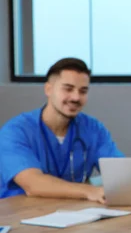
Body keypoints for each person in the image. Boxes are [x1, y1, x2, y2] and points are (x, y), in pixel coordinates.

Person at [0, 58, 124, 203]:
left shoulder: (93, 129)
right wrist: (89, 190)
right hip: (20, 216)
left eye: (83, 91)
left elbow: (120, 172)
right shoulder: (15, 131)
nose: (76, 97)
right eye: (68, 89)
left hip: (73, 213)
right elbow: (33, 185)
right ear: (48, 89)